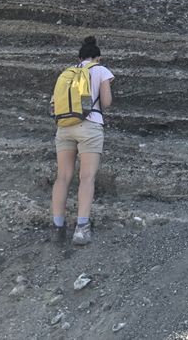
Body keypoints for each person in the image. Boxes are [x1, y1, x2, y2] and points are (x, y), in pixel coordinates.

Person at [50, 36, 115, 245]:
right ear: (98, 58)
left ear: (78, 57)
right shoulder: (100, 70)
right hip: (90, 126)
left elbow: (54, 105)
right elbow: (106, 103)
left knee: (63, 177)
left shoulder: (67, 73)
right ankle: (81, 228)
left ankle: (57, 228)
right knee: (86, 177)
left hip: (64, 127)